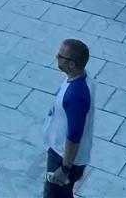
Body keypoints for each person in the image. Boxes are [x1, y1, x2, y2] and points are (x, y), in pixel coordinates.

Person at [44, 39, 94, 198]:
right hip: (61, 153)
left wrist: (65, 169)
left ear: (72, 64)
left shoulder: (76, 95)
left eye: (60, 56)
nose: (56, 56)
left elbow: (74, 136)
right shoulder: (79, 78)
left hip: (62, 158)